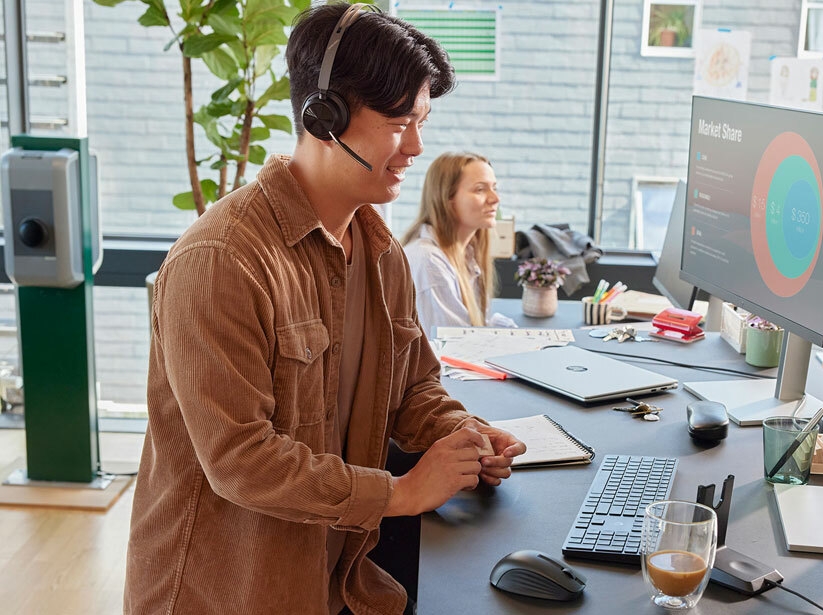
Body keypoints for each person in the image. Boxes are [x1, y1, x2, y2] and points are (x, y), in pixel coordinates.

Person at [124, 5, 525, 615]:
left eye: (421, 121)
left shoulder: (376, 246)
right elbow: (241, 460)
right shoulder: (221, 262)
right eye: (398, 123)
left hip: (336, 578)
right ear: (325, 116)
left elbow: (412, 384)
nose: (416, 146)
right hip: (230, 592)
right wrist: (401, 492)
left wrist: (459, 436)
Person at [402, 152, 517, 333]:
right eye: (480, 189)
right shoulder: (429, 262)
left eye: (494, 188)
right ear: (447, 198)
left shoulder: (466, 252)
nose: (495, 199)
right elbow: (454, 346)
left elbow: (477, 323)